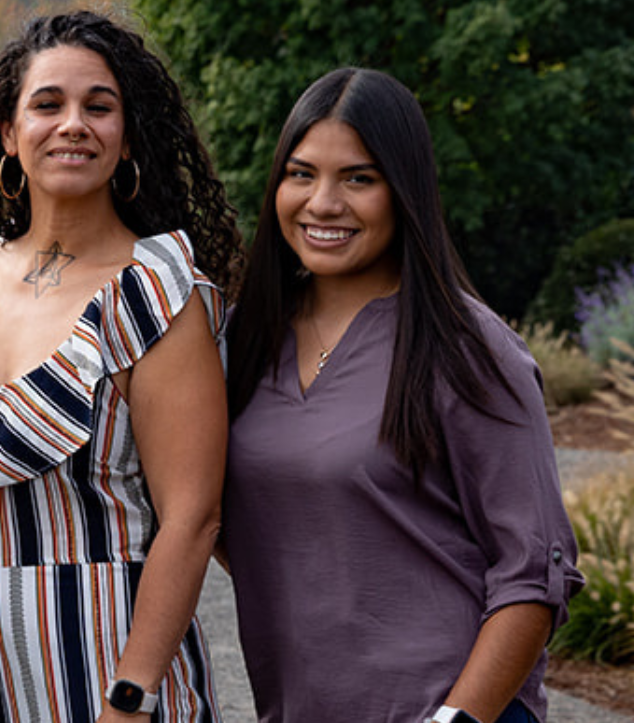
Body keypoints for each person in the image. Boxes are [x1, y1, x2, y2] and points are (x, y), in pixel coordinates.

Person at [222, 67, 584, 723]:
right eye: (301, 173)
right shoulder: (246, 339)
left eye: (359, 178)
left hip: (449, 712)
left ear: (404, 190)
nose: (323, 202)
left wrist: (456, 719)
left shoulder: (469, 349)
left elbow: (533, 570)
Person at [0, 8, 244, 722]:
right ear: (8, 131)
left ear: (127, 140)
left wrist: (130, 695)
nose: (73, 124)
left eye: (100, 106)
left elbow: (193, 517)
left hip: (115, 665)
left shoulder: (158, 292)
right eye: (47, 104)